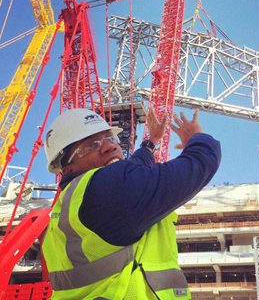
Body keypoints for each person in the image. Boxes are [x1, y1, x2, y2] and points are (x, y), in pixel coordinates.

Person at [42, 106, 221, 300]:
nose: (110, 146)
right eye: (92, 145)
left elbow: (130, 168)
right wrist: (197, 138)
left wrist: (151, 143)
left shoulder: (70, 205)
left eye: (111, 138)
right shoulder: (108, 189)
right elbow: (198, 165)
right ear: (68, 169)